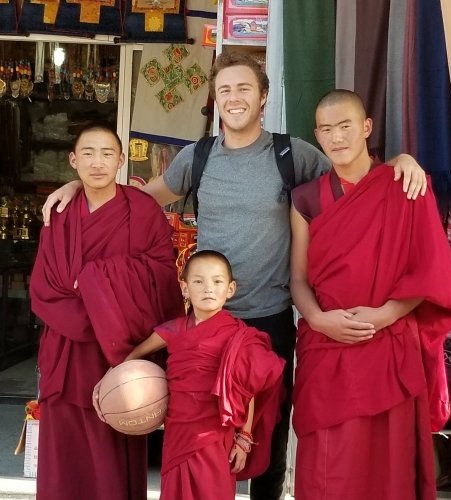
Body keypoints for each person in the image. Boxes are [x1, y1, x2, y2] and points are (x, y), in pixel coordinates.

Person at [42, 53, 428, 500]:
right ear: (215, 98)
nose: (234, 98)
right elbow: (137, 203)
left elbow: (354, 176)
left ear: (263, 98)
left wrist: (401, 160)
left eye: (244, 88)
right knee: (202, 438)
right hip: (207, 320)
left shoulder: (292, 154)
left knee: (267, 431)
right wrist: (77, 184)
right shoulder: (198, 157)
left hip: (270, 317)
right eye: (224, 90)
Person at [289, 90, 451, 500]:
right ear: (316, 136)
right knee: (326, 467)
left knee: (387, 468)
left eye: (346, 126)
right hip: (326, 346)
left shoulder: (406, 185)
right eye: (327, 130)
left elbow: (426, 271)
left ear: (367, 127)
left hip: (387, 344)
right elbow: (297, 279)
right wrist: (318, 320)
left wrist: (387, 314)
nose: (337, 137)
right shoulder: (304, 198)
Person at [30, 123, 184, 500]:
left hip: (119, 351)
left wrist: (96, 279)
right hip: (67, 350)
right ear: (72, 161)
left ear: (120, 160)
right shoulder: (60, 212)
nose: (97, 162)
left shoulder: (143, 210)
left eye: (106, 154)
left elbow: (161, 275)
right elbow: (44, 287)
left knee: (111, 446)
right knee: (64, 452)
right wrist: (96, 309)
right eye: (87, 153)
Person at [96, 250, 284, 500]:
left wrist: (245, 437)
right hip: (179, 433)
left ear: (230, 289)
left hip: (217, 436)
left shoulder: (239, 336)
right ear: (184, 288)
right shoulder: (174, 330)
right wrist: (107, 382)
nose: (208, 288)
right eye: (198, 281)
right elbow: (134, 355)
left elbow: (247, 389)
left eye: (217, 281)